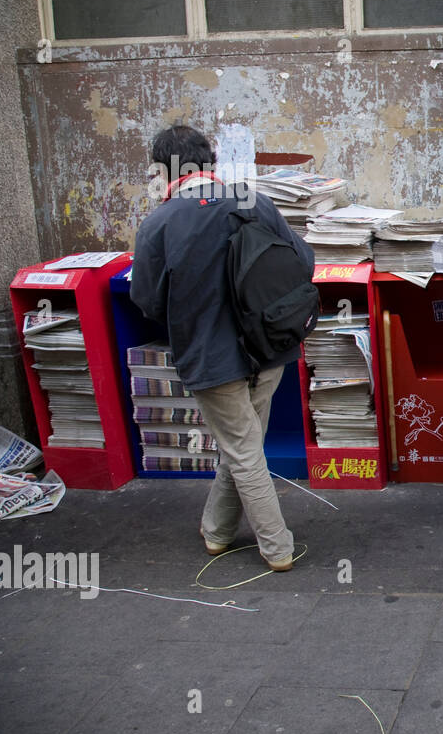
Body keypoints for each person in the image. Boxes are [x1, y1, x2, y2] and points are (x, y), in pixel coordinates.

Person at [131, 125, 315, 571]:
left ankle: (278, 548)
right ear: (208, 162)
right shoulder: (252, 200)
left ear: (164, 170)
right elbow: (304, 261)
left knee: (244, 452)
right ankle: (216, 532)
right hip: (269, 348)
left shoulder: (161, 221)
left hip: (212, 360)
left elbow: (147, 300)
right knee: (243, 446)